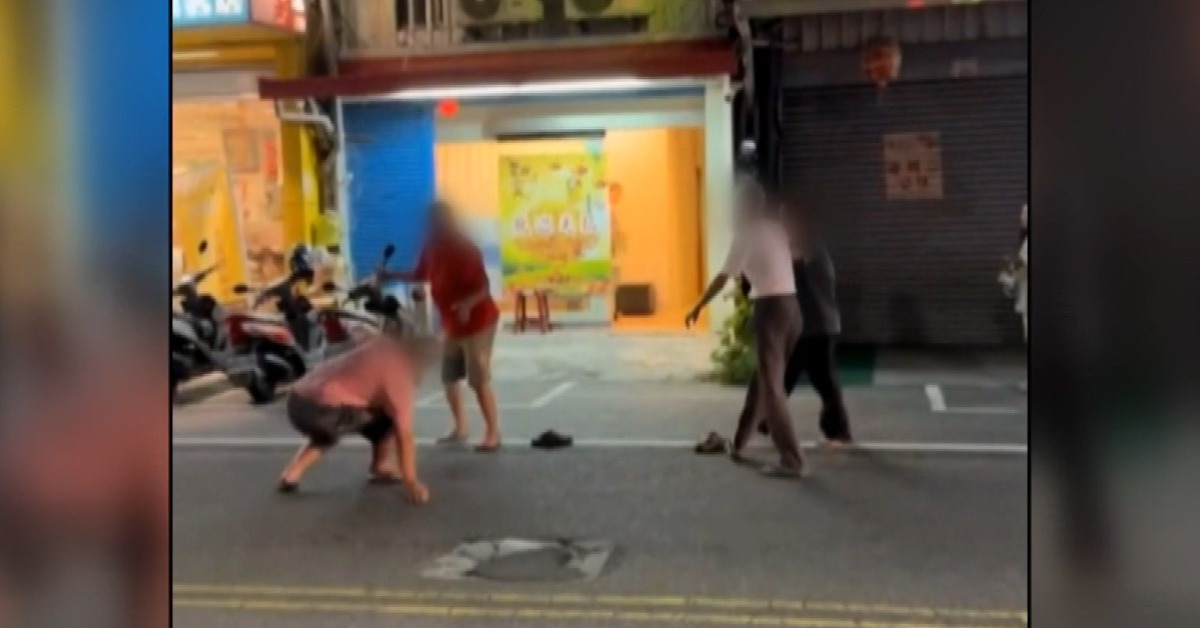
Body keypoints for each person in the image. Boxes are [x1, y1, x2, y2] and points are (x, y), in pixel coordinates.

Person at [686, 179, 807, 478]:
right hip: (792, 309)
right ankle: (739, 443)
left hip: (771, 311)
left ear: (746, 206)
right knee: (763, 380)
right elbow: (792, 257)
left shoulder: (747, 234)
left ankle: (792, 460)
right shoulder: (775, 229)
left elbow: (723, 277)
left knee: (772, 390)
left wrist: (699, 305)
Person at [276, 323, 436, 504]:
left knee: (364, 417)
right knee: (385, 419)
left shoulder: (383, 345)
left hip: (296, 400)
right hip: (319, 412)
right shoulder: (400, 377)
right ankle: (379, 467)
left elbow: (360, 338)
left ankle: (291, 474)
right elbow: (404, 435)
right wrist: (411, 481)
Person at [387, 201, 502, 452]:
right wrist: (391, 275)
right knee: (449, 377)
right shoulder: (431, 247)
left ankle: (493, 432)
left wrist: (467, 305)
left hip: (478, 323)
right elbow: (420, 274)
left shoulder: (465, 248)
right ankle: (460, 427)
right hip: (452, 324)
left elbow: (483, 286)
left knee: (478, 379)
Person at [754, 208, 853, 445]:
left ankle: (837, 431)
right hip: (805, 327)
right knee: (789, 375)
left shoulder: (810, 248)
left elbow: (790, 263)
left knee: (821, 380)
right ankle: (768, 421)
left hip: (817, 326)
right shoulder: (799, 248)